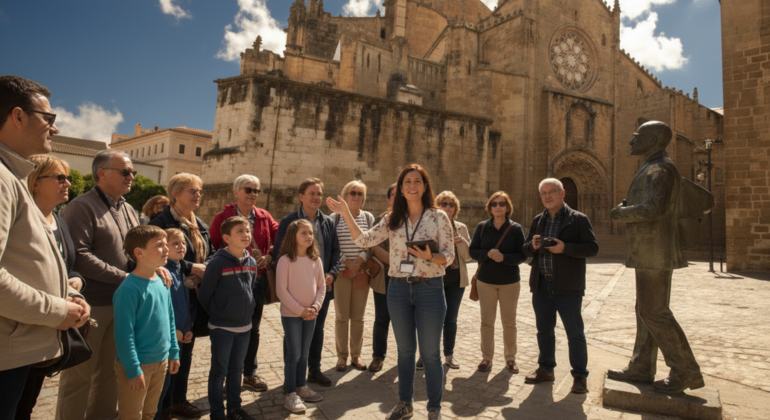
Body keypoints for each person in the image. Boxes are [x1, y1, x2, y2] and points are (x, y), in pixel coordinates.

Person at [327, 164, 455, 420]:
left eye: (417, 181)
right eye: (407, 181)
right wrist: (345, 213)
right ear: (401, 188)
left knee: (430, 354)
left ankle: (434, 408)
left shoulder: (438, 217)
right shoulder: (392, 219)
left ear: (425, 186)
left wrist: (431, 256)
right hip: (398, 288)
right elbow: (363, 240)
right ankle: (405, 403)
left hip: (430, 288)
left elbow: (449, 256)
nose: (412, 185)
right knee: (405, 352)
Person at [0, 75, 89, 420]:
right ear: (17, 116)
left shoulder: (13, 177)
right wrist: (57, 310)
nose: (54, 128)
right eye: (48, 118)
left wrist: (67, 292)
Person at [607, 121, 705, 394]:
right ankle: (641, 366)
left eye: (636, 137)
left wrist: (620, 213)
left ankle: (686, 370)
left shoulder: (660, 168)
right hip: (649, 250)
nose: (631, 142)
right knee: (645, 310)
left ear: (651, 140)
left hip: (655, 251)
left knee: (654, 312)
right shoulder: (653, 166)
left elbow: (653, 208)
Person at [58, 149, 155, 420]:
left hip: (123, 304)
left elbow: (136, 251)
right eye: (125, 172)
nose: (131, 177)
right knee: (79, 376)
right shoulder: (81, 206)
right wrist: (126, 277)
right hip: (92, 306)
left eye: (133, 172)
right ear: (102, 173)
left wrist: (152, 268)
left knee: (112, 373)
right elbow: (80, 256)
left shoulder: (128, 208)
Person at [522, 178, 599, 394]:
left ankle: (580, 376)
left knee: (575, 333)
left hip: (568, 286)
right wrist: (532, 246)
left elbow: (592, 248)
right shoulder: (538, 220)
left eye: (552, 192)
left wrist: (565, 248)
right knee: (544, 331)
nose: (547, 196)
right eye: (544, 193)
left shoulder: (578, 219)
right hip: (541, 285)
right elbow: (525, 249)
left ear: (562, 193)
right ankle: (546, 369)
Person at [149, 173, 214, 418]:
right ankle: (161, 407)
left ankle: (178, 400)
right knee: (168, 353)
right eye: (192, 191)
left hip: (193, 296)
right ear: (175, 194)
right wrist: (189, 268)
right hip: (171, 296)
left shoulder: (199, 224)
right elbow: (156, 254)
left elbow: (211, 252)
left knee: (186, 351)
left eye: (199, 191)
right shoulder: (160, 222)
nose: (198, 195)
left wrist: (202, 270)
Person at [209, 174, 278, 392]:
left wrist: (269, 256)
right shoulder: (223, 217)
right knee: (228, 330)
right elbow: (213, 245)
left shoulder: (264, 216)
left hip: (256, 281)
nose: (253, 194)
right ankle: (225, 375)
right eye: (248, 189)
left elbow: (281, 237)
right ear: (236, 192)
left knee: (253, 329)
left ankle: (249, 373)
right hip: (230, 281)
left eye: (256, 190)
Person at [273, 178, 341, 387]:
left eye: (319, 194)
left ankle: (314, 370)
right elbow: (278, 253)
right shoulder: (289, 221)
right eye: (312, 193)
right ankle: (291, 377)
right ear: (301, 196)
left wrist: (332, 273)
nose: (316, 197)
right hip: (294, 291)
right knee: (292, 334)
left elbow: (336, 251)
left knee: (317, 329)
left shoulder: (328, 222)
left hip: (320, 288)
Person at [113, 226, 180, 420]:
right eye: (159, 245)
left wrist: (173, 351)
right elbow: (124, 334)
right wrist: (133, 369)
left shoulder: (162, 280)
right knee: (131, 416)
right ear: (139, 252)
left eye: (166, 244)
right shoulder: (128, 290)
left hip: (161, 362)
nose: (166, 248)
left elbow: (169, 318)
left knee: (150, 413)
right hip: (137, 365)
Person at [198, 216, 258, 420]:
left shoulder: (251, 262)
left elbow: (250, 289)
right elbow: (205, 295)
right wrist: (221, 312)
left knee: (236, 370)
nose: (245, 234)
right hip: (222, 328)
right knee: (219, 372)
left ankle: (234, 410)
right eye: (239, 231)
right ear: (226, 238)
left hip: (245, 327)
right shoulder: (217, 263)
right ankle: (217, 414)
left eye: (247, 231)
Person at [468, 192, 526, 373]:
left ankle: (510, 358)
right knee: (487, 322)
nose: (498, 207)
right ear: (490, 208)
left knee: (509, 322)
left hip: (509, 282)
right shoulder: (482, 227)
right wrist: (486, 254)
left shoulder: (515, 229)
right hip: (486, 282)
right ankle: (487, 358)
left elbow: (523, 255)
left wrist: (504, 258)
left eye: (502, 204)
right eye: (494, 204)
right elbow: (472, 251)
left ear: (507, 207)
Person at [415, 191, 472, 370]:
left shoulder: (461, 228)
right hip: (433, 280)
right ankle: (425, 355)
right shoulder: (429, 225)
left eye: (451, 204)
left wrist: (460, 242)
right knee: (429, 319)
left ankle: (449, 355)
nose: (448, 207)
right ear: (437, 207)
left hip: (455, 281)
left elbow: (468, 256)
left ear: (456, 208)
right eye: (444, 204)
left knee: (451, 319)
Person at [275, 219, 326, 413]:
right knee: (294, 354)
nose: (308, 236)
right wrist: (300, 310)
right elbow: (282, 291)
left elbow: (321, 286)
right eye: (303, 233)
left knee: (304, 354)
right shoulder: (285, 261)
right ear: (293, 236)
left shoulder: (316, 260)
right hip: (292, 315)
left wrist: (315, 307)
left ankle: (301, 386)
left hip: (311, 314)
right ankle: (290, 394)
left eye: (311, 233)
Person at [331, 180, 376, 372]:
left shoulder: (368, 217)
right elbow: (332, 245)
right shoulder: (335, 218)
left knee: (358, 316)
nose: (356, 196)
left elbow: (370, 242)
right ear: (345, 195)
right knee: (342, 316)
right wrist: (347, 261)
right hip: (342, 272)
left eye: (360, 193)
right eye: (352, 192)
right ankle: (342, 356)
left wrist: (359, 260)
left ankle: (356, 355)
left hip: (360, 272)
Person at [154, 229, 196, 420]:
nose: (181, 247)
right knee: (164, 381)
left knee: (176, 374)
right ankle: (161, 412)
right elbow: (163, 308)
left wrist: (188, 328)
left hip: (182, 333)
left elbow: (185, 304)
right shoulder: (162, 272)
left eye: (183, 243)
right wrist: (175, 332)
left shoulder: (179, 268)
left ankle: (171, 407)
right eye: (175, 244)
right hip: (170, 336)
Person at [369, 183, 396, 373]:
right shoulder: (380, 220)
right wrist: (394, 262)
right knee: (381, 319)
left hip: (406, 279)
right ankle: (378, 356)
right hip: (385, 277)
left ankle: (405, 357)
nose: (397, 198)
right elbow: (373, 245)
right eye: (393, 195)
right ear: (388, 199)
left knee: (406, 321)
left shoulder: (414, 219)